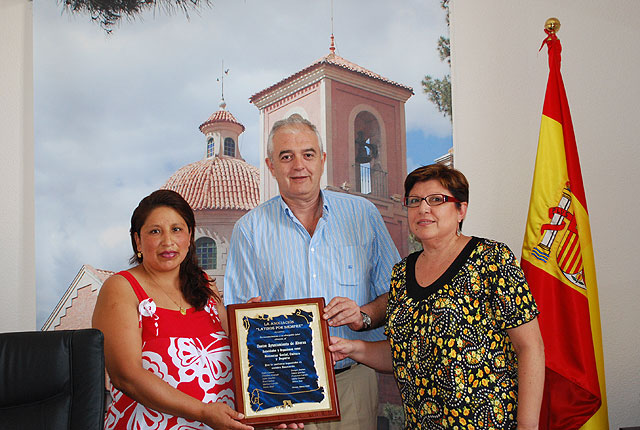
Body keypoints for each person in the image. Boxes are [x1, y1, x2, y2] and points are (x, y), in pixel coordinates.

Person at [329, 164, 545, 430]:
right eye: (415, 201)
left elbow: (530, 347)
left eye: (436, 200)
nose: (423, 209)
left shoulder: (491, 258)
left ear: (461, 209)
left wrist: (528, 425)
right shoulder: (401, 273)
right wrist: (353, 348)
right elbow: (404, 354)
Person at [224, 114, 400, 430]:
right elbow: (237, 318)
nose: (298, 165)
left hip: (353, 382)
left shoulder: (362, 215)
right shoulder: (249, 230)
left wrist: (364, 315)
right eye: (286, 156)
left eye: (307, 154)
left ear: (322, 159)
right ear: (271, 165)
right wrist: (265, 394)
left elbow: (397, 295)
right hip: (282, 392)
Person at [93, 190, 299, 430]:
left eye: (177, 229)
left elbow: (242, 358)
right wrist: (203, 412)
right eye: (155, 231)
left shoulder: (204, 284)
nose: (167, 241)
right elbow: (126, 376)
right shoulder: (121, 288)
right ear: (138, 240)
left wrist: (253, 330)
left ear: (190, 236)